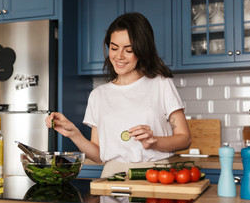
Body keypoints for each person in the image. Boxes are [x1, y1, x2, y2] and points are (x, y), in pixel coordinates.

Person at [46, 12, 191, 177]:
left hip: (157, 176)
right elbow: (99, 156)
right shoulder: (98, 95)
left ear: (142, 51)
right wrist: (74, 133)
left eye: (128, 50)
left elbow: (184, 139)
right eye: (114, 48)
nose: (119, 56)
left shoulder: (161, 84)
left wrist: (154, 141)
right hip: (112, 177)